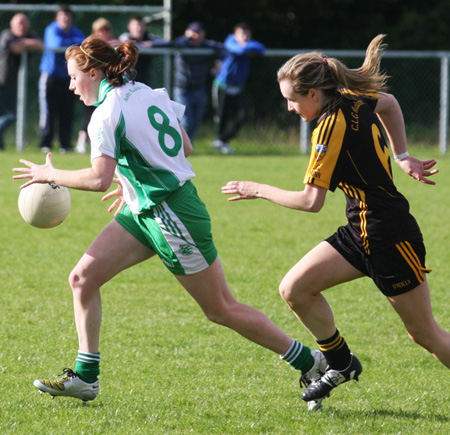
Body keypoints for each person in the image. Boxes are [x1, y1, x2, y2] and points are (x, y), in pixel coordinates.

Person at [13, 36, 330, 411]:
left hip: (172, 216)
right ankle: (86, 377)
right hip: (146, 208)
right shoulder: (145, 91)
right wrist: (132, 183)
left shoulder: (106, 112)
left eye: (73, 77)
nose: (70, 85)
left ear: (94, 73)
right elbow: (185, 146)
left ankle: (310, 362)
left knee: (221, 308)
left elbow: (98, 179)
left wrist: (50, 173)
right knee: (82, 278)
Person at [222, 34, 450, 406]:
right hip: (360, 229)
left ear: (314, 93)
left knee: (426, 334)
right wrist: (403, 153)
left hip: (388, 236)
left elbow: (311, 202)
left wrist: (256, 188)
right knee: (294, 288)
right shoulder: (353, 100)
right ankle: (341, 363)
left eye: (292, 100)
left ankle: (340, 363)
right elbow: (389, 104)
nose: (289, 109)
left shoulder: (328, 128)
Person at [212, 23, 265, 155]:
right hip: (223, 85)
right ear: (235, 35)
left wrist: (246, 45)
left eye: (247, 34)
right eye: (242, 34)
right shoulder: (230, 41)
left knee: (243, 115)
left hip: (238, 87)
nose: (245, 36)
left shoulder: (248, 44)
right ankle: (220, 142)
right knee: (222, 115)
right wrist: (246, 47)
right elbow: (238, 50)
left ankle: (221, 140)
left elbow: (261, 48)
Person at [39, 4, 85, 153]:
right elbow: (56, 44)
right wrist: (74, 45)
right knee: (49, 111)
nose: (65, 19)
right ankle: (46, 143)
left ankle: (65, 144)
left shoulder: (74, 32)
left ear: (71, 18)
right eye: (62, 16)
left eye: (67, 16)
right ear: (57, 18)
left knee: (67, 111)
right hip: (51, 77)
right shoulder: (51, 29)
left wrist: (73, 44)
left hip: (68, 78)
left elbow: (84, 44)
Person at [173, 22, 225, 144]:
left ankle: (188, 148)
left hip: (199, 89)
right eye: (193, 33)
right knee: (186, 121)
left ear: (203, 34)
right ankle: (178, 148)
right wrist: (187, 37)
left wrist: (219, 61)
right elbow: (176, 42)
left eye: (198, 33)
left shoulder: (206, 45)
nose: (195, 36)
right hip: (183, 89)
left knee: (196, 122)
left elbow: (223, 49)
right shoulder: (182, 43)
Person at [76, 17, 119, 154]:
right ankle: (82, 140)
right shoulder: (89, 44)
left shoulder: (114, 44)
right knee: (89, 114)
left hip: (107, 85)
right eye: (101, 30)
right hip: (92, 85)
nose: (103, 32)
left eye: (106, 29)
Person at [0, 13, 43, 150]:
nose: (21, 26)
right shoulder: (7, 34)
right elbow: (15, 48)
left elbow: (41, 45)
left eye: (24, 23)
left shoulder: (29, 35)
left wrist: (25, 42)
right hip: (1, 82)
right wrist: (25, 45)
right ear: (12, 25)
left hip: (14, 85)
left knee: (12, 115)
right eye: (19, 23)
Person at [119, 15, 169, 85]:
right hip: (127, 79)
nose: (139, 29)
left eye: (141, 25)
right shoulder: (125, 36)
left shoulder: (149, 37)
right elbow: (123, 42)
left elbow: (166, 43)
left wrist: (151, 44)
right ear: (129, 27)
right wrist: (141, 45)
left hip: (144, 80)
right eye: (136, 26)